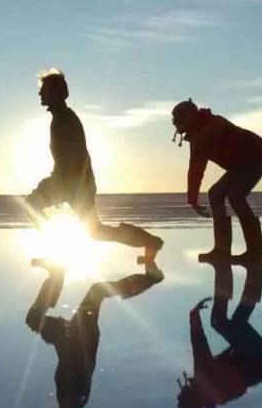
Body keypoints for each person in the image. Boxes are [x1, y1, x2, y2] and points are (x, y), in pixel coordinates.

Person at [25, 70, 163, 263]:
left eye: (43, 90)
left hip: (73, 183)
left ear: (55, 93)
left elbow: (73, 158)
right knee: (95, 231)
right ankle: (151, 241)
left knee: (35, 206)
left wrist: (58, 185)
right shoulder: (60, 117)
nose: (40, 94)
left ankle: (55, 254)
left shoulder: (64, 118)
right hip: (73, 182)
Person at [26, 259, 163, 408]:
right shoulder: (75, 400)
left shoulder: (67, 402)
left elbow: (71, 364)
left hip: (70, 338)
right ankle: (151, 279)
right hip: (80, 337)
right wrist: (67, 336)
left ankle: (55, 277)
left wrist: (63, 337)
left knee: (35, 318)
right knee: (97, 291)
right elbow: (81, 363)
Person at [170, 98, 262, 264]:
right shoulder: (197, 134)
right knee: (215, 194)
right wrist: (193, 200)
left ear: (189, 117)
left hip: (257, 156)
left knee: (236, 196)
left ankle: (254, 253)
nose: (175, 124)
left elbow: (198, 168)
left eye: (177, 119)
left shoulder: (212, 126)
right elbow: (195, 170)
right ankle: (221, 250)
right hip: (240, 164)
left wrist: (193, 200)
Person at [177, 262, 262, 408]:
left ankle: (241, 277)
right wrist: (194, 314)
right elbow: (199, 345)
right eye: (186, 389)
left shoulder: (215, 395)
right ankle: (235, 275)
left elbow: (200, 345)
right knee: (222, 322)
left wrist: (194, 314)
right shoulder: (208, 384)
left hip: (259, 359)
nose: (186, 385)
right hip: (260, 356)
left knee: (233, 321)